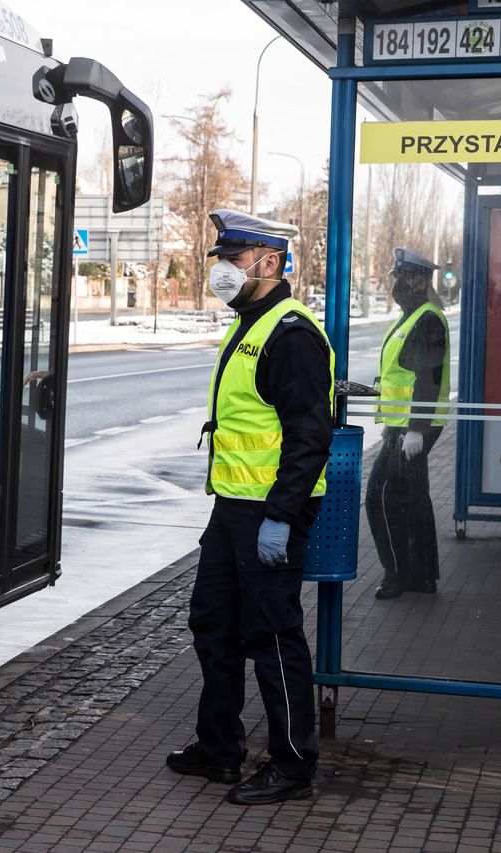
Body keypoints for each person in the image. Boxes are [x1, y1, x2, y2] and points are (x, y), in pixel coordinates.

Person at [166, 209, 333, 805]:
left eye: (234, 260)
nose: (224, 271)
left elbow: (310, 437)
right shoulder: (250, 323)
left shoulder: (291, 334)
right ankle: (219, 749)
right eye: (222, 260)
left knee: (272, 636)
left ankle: (292, 765)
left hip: (270, 515)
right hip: (233, 508)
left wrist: (282, 517)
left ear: (269, 262)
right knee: (213, 625)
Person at [367, 248, 450, 600]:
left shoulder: (426, 318)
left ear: (417, 279)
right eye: (395, 277)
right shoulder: (411, 316)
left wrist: (416, 428)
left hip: (411, 427)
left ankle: (397, 574)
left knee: (380, 497)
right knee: (414, 499)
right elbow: (400, 369)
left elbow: (427, 378)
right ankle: (422, 576)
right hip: (402, 424)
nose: (396, 284)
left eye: (401, 277)